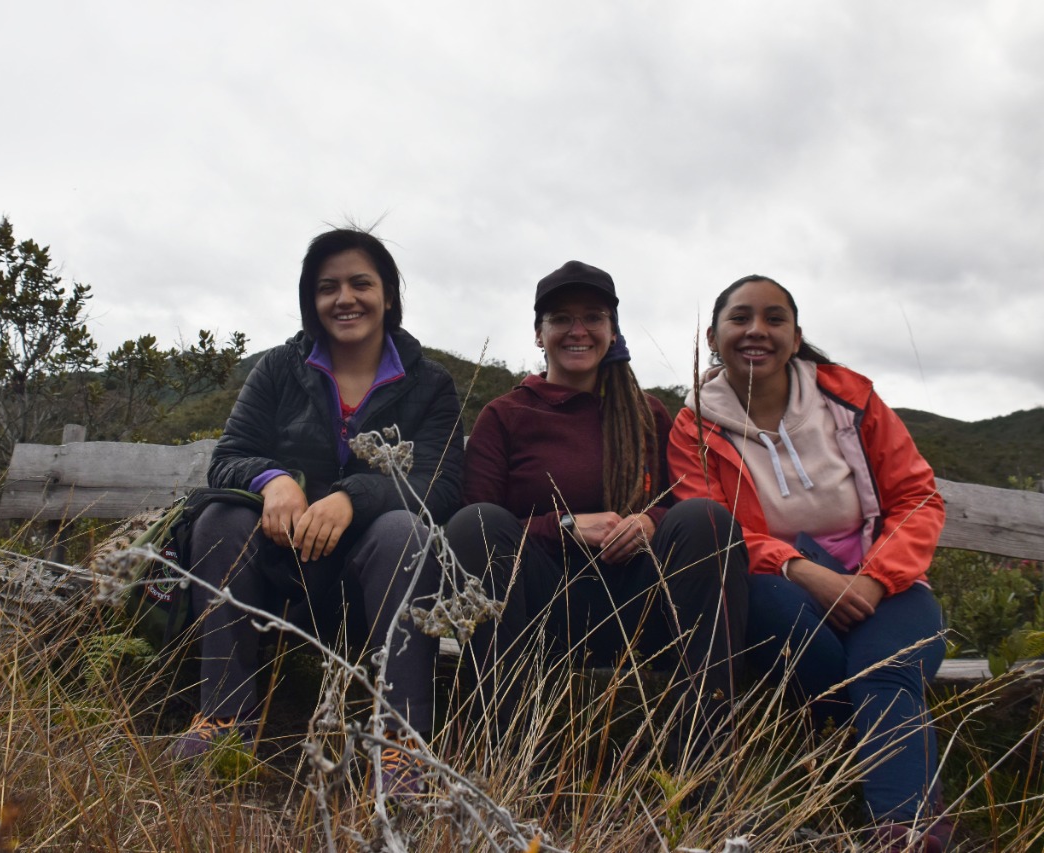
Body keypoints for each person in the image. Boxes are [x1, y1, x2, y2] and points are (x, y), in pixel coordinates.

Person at [175, 229, 464, 797]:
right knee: (220, 522)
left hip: (371, 578)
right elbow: (229, 457)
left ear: (388, 295)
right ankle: (224, 721)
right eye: (327, 287)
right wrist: (274, 479)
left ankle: (401, 742)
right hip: (282, 572)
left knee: (405, 529)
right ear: (311, 299)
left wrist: (354, 496)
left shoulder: (430, 385)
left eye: (361, 283)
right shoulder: (280, 368)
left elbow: (441, 484)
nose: (345, 298)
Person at [667, 274, 950, 851]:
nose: (757, 331)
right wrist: (801, 568)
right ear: (713, 336)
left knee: (886, 667)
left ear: (795, 337)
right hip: (776, 587)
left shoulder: (851, 399)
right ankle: (907, 815)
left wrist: (873, 579)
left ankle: (908, 835)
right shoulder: (693, 427)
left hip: (888, 588)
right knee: (873, 681)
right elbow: (717, 526)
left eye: (775, 319)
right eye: (740, 318)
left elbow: (918, 498)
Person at [446, 260, 748, 764]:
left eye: (593, 317)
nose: (578, 330)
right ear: (539, 334)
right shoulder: (506, 414)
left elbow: (678, 496)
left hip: (636, 603)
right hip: (541, 607)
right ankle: (506, 754)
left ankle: (704, 758)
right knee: (474, 524)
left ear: (612, 330)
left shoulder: (645, 412)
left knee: (707, 520)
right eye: (561, 319)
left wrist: (650, 521)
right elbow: (475, 519)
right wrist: (564, 525)